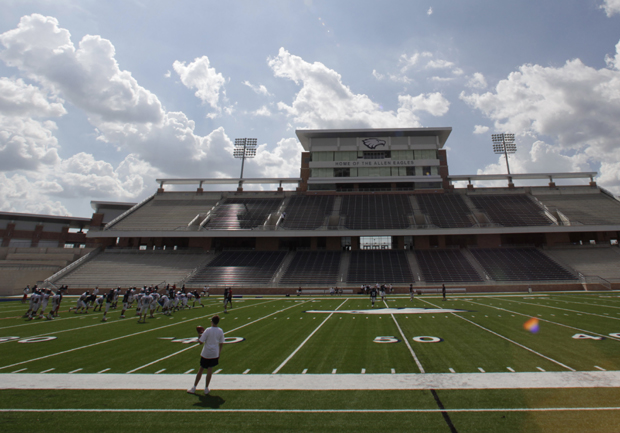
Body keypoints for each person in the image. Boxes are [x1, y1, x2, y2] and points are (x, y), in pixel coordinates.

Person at [188, 315, 225, 395]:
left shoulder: (208, 330)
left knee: (201, 369)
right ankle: (206, 388)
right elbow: (221, 343)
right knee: (209, 370)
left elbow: (200, 342)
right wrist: (219, 352)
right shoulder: (220, 330)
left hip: (206, 353)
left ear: (212, 321)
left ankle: (194, 387)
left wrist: (199, 335)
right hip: (214, 353)